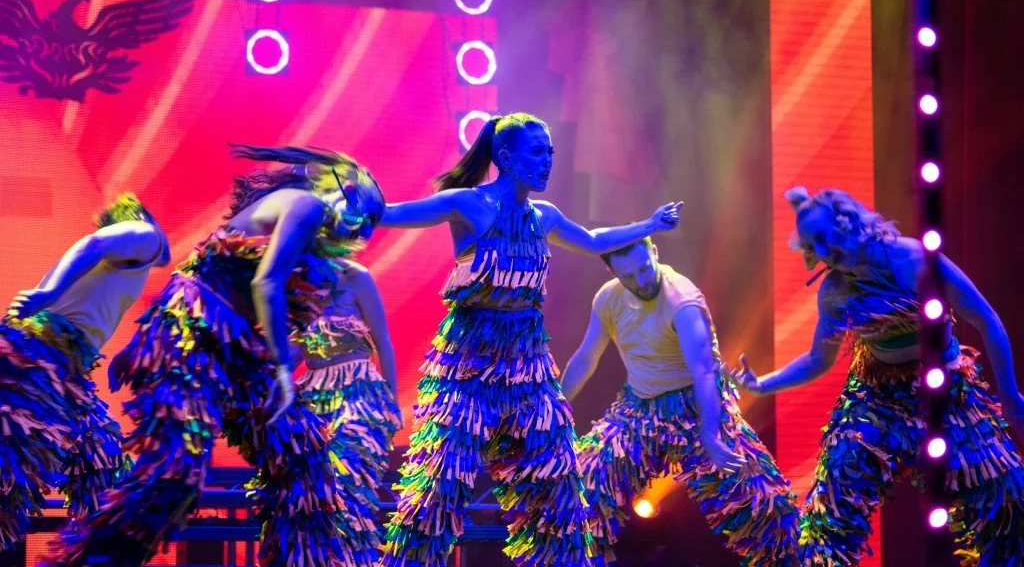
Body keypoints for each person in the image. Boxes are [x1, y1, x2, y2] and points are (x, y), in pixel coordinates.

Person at [43, 145, 386, 567]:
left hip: (238, 346)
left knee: (303, 456)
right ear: (347, 190)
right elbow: (266, 284)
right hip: (193, 334)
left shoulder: (312, 234)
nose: (361, 236)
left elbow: (257, 289)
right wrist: (281, 365)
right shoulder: (308, 205)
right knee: (174, 472)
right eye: (364, 220)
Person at [377, 112, 682, 567]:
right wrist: (349, 204)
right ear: (505, 157)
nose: (548, 162)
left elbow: (595, 240)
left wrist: (649, 225)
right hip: (469, 366)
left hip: (528, 367)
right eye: (538, 152)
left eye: (551, 153)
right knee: (439, 488)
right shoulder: (466, 204)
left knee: (557, 486)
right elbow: (390, 214)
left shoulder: (546, 216)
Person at [732, 187, 1024, 566]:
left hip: (947, 395)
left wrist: (1012, 397)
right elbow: (818, 359)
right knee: (832, 507)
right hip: (876, 400)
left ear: (848, 222)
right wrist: (763, 383)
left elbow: (986, 320)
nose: (821, 252)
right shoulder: (835, 292)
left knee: (1008, 501)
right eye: (812, 245)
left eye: (824, 237)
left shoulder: (915, 259)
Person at [561, 237, 800, 566]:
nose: (641, 281)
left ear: (655, 253)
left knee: (766, 506)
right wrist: (557, 409)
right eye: (629, 276)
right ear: (613, 272)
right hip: (638, 411)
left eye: (645, 269)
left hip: (697, 408)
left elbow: (703, 373)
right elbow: (586, 358)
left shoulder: (681, 299)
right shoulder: (608, 298)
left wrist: (712, 437)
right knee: (577, 488)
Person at [0, 193, 169, 551]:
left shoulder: (129, 261)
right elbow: (94, 242)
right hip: (41, 356)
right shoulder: (147, 235)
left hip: (67, 367)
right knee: (11, 471)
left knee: (101, 460)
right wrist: (49, 292)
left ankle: (89, 554)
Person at [290, 257, 403, 565]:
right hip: (313, 395)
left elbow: (383, 341)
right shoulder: (291, 284)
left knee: (349, 485)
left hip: (359, 393)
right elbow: (293, 351)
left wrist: (392, 402)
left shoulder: (356, 276)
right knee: (314, 496)